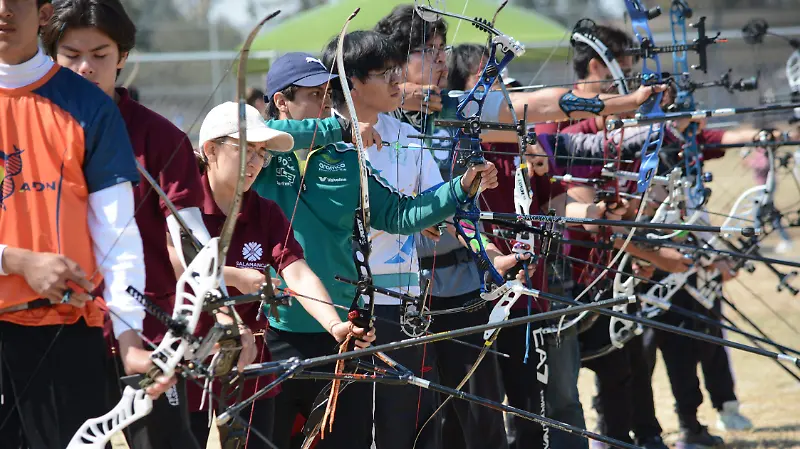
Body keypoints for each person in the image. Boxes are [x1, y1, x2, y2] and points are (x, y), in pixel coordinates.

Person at [254, 50, 500, 449]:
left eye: (329, 95)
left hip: (341, 331)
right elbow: (254, 134)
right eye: (314, 95)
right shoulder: (258, 151)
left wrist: (462, 187)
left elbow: (400, 215)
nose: (326, 104)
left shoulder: (347, 157)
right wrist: (340, 128)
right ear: (282, 101)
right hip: (272, 328)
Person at [39, 1, 221, 447]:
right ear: (50, 56)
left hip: (147, 330)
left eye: (100, 55)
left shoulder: (159, 137)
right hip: (53, 329)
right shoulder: (26, 130)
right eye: (70, 55)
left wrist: (215, 303)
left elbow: (189, 231)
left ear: (122, 57)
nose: (85, 68)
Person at [0, 1, 173, 448]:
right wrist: (16, 261)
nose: (3, 10)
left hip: (65, 335)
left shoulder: (90, 106)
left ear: (42, 13)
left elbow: (117, 235)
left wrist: (131, 336)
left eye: (16, 0)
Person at [171, 101, 375, 449]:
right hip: (185, 355)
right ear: (210, 150)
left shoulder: (264, 211)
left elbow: (297, 272)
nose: (254, 164)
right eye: (246, 151)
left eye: (261, 154)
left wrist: (335, 325)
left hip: (247, 356)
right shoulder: (183, 203)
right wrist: (235, 276)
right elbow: (176, 263)